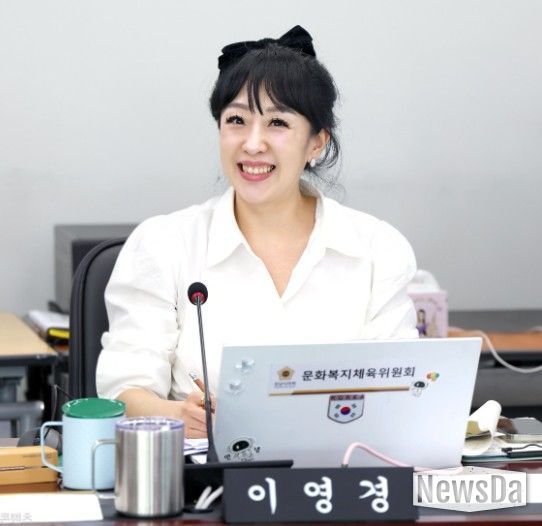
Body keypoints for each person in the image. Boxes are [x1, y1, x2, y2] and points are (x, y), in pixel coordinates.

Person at [96, 26, 418, 438]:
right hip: (204, 470)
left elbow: (400, 389)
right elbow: (123, 390)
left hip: (343, 464)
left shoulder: (377, 249)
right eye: (236, 120)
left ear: (316, 143)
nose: (252, 144)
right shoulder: (164, 244)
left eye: (277, 123)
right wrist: (178, 414)